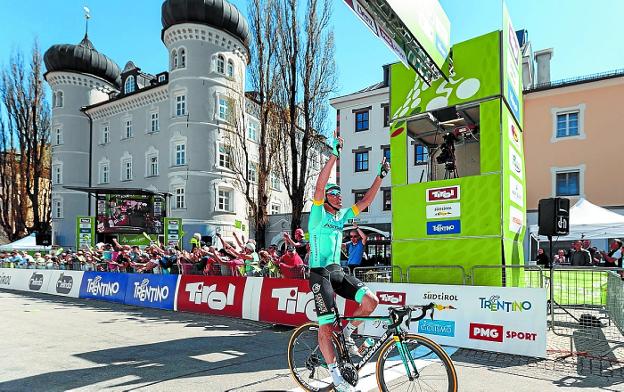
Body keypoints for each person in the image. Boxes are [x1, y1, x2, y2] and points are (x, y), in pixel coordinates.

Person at [308, 133, 388, 392]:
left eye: (339, 194)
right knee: (327, 325)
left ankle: (350, 332)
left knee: (370, 301)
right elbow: (320, 187)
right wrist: (334, 155)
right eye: (335, 194)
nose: (339, 197)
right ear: (327, 199)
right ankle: (336, 377)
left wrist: (380, 176)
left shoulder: (341, 216)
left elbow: (365, 202)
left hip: (337, 271)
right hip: (319, 273)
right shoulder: (318, 213)